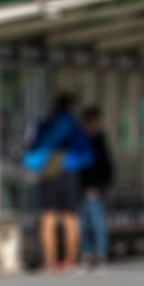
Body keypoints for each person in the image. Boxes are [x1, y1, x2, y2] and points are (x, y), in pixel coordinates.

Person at [22, 93, 88, 275]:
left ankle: (49, 260)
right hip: (67, 174)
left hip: (47, 174)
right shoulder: (75, 127)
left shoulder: (45, 125)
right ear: (71, 107)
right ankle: (69, 260)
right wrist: (69, 163)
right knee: (69, 217)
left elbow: (31, 147)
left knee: (47, 217)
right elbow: (85, 155)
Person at [79, 106, 116, 269]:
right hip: (80, 187)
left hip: (95, 188)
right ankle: (86, 252)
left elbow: (105, 166)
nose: (94, 124)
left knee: (96, 221)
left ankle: (101, 252)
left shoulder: (99, 140)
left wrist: (98, 186)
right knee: (84, 222)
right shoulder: (81, 139)